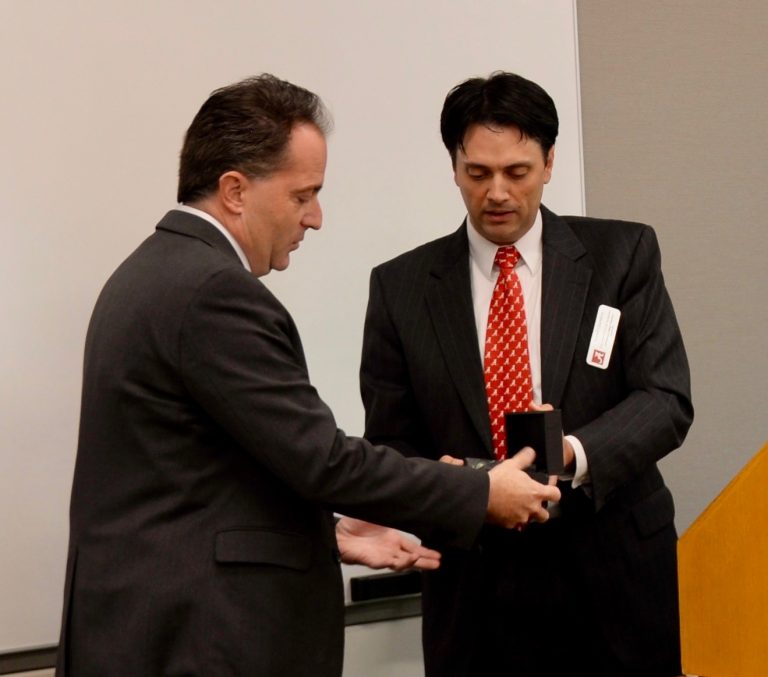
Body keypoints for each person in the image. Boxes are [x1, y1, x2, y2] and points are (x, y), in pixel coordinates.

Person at [55, 74, 561, 677]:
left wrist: (327, 534)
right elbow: (323, 461)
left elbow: (204, 478)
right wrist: (478, 492)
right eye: (303, 195)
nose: (315, 218)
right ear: (235, 190)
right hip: (196, 642)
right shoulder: (213, 292)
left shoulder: (156, 270)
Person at [360, 71, 693, 677]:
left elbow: (665, 399)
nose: (497, 193)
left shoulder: (622, 256)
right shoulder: (400, 287)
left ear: (549, 163)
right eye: (477, 173)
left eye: (517, 172)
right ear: (454, 167)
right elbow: (390, 440)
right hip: (476, 585)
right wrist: (441, 481)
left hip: (613, 571)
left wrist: (566, 452)